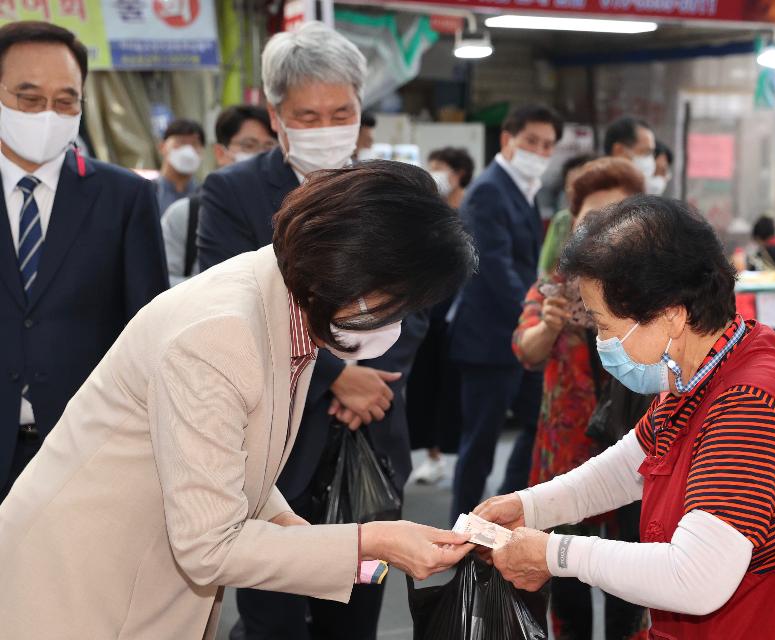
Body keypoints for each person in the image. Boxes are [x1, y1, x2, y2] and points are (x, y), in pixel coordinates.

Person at [0, 161, 477, 638]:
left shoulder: (298, 301)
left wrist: (296, 530)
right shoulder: (221, 335)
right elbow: (209, 547)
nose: (398, 320)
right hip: (78, 588)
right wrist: (371, 541)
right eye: (398, 302)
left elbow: (233, 453)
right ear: (352, 272)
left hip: (130, 574)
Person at [475, 196, 775, 639]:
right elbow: (626, 467)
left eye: (605, 325)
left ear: (670, 315)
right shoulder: (707, 368)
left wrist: (555, 553)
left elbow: (695, 578)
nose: (602, 342)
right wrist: (528, 506)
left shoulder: (751, 405)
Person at [198, 23, 427, 640]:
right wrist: (337, 376)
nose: (328, 126)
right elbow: (225, 307)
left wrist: (367, 380)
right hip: (273, 443)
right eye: (308, 114)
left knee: (359, 614)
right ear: (276, 117)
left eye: (342, 111)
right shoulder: (231, 193)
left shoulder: (394, 189)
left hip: (373, 433)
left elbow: (421, 297)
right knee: (272, 617)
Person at [0, 21, 168, 501]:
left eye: (65, 100)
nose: (47, 115)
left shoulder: (125, 197)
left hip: (81, 455)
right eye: (29, 99)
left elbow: (146, 330)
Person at [513, 158, 646, 640]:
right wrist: (549, 325)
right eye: (594, 218)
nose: (607, 228)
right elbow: (525, 352)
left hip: (639, 451)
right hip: (567, 450)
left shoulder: (653, 289)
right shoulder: (556, 286)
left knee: (631, 581)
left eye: (619, 214)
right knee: (564, 576)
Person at [447, 103, 563, 523]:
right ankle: (462, 530)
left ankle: (502, 509)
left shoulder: (524, 188)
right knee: (479, 442)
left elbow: (527, 264)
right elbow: (493, 266)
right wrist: (535, 314)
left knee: (537, 423)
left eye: (547, 145)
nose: (538, 150)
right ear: (507, 140)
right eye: (531, 140)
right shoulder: (491, 189)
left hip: (517, 336)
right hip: (489, 338)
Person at [407, 146, 475, 485]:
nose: (432, 172)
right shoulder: (428, 213)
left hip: (463, 316)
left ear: (459, 172)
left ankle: (458, 454)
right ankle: (433, 455)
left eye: (439, 167)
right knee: (426, 386)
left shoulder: (473, 211)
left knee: (458, 390)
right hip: (428, 312)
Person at [161, 105, 277, 286]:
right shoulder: (185, 214)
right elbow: (162, 280)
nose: (260, 156)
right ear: (220, 153)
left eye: (269, 146)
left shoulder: (285, 208)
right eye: (249, 146)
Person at [537, 153, 597, 277]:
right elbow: (546, 269)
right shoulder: (561, 221)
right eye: (569, 186)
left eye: (580, 186)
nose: (573, 192)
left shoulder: (613, 222)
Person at [155, 118, 205, 215]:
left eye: (195, 144)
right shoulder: (149, 193)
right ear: (162, 147)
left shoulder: (205, 196)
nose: (189, 150)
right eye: (181, 142)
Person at [603, 116, 657, 188]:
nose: (651, 160)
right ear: (619, 151)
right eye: (646, 152)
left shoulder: (632, 191)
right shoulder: (599, 193)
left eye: (651, 153)